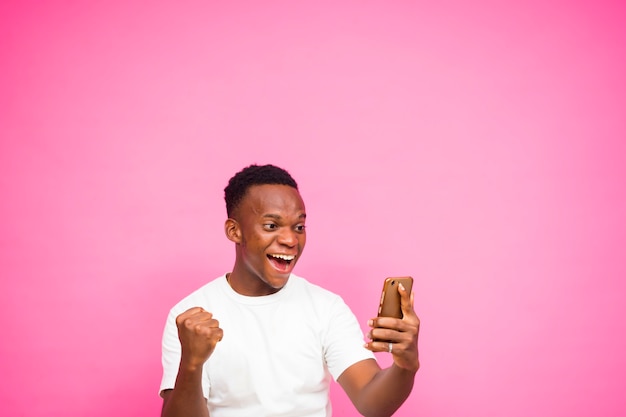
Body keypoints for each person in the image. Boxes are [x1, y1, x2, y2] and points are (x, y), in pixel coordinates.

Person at [159, 164, 420, 417]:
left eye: (299, 227)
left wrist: (405, 366)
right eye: (272, 226)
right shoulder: (189, 316)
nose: (291, 240)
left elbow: (372, 403)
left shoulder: (326, 307)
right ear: (234, 231)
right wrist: (191, 365)